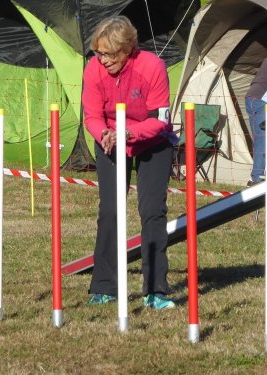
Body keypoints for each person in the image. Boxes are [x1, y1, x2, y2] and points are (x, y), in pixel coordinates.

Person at [82, 16, 178, 309]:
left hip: (151, 140)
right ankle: (104, 286)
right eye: (99, 53)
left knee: (152, 211)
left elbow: (159, 120)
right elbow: (92, 117)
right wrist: (105, 135)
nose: (103, 60)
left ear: (128, 49)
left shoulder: (152, 66)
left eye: (109, 54)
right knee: (110, 210)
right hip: (111, 139)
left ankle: (155, 290)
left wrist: (129, 132)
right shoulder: (94, 69)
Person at [245, 52, 267, 186]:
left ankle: (258, 176)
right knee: (264, 141)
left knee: (260, 140)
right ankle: (256, 179)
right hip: (263, 101)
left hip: (251, 98)